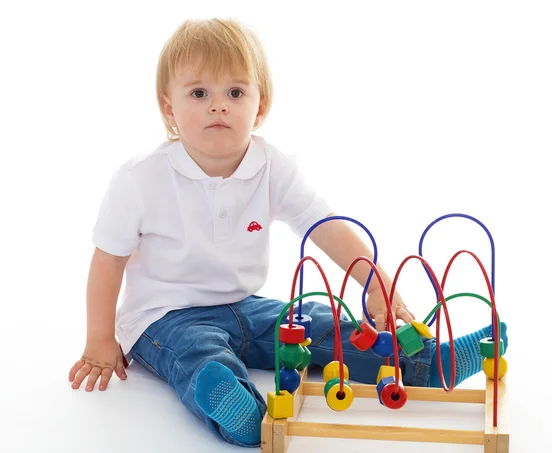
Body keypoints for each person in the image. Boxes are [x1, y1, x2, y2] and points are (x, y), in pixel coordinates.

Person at [68, 18, 508, 448]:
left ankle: (421, 364)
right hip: (163, 317)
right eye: (199, 93)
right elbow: (108, 260)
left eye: (234, 92)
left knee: (317, 324)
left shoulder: (271, 166)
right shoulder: (140, 179)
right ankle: (238, 411)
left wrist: (375, 282)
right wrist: (100, 340)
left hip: (245, 306)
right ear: (170, 108)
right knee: (198, 354)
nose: (218, 105)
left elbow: (325, 226)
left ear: (259, 107)